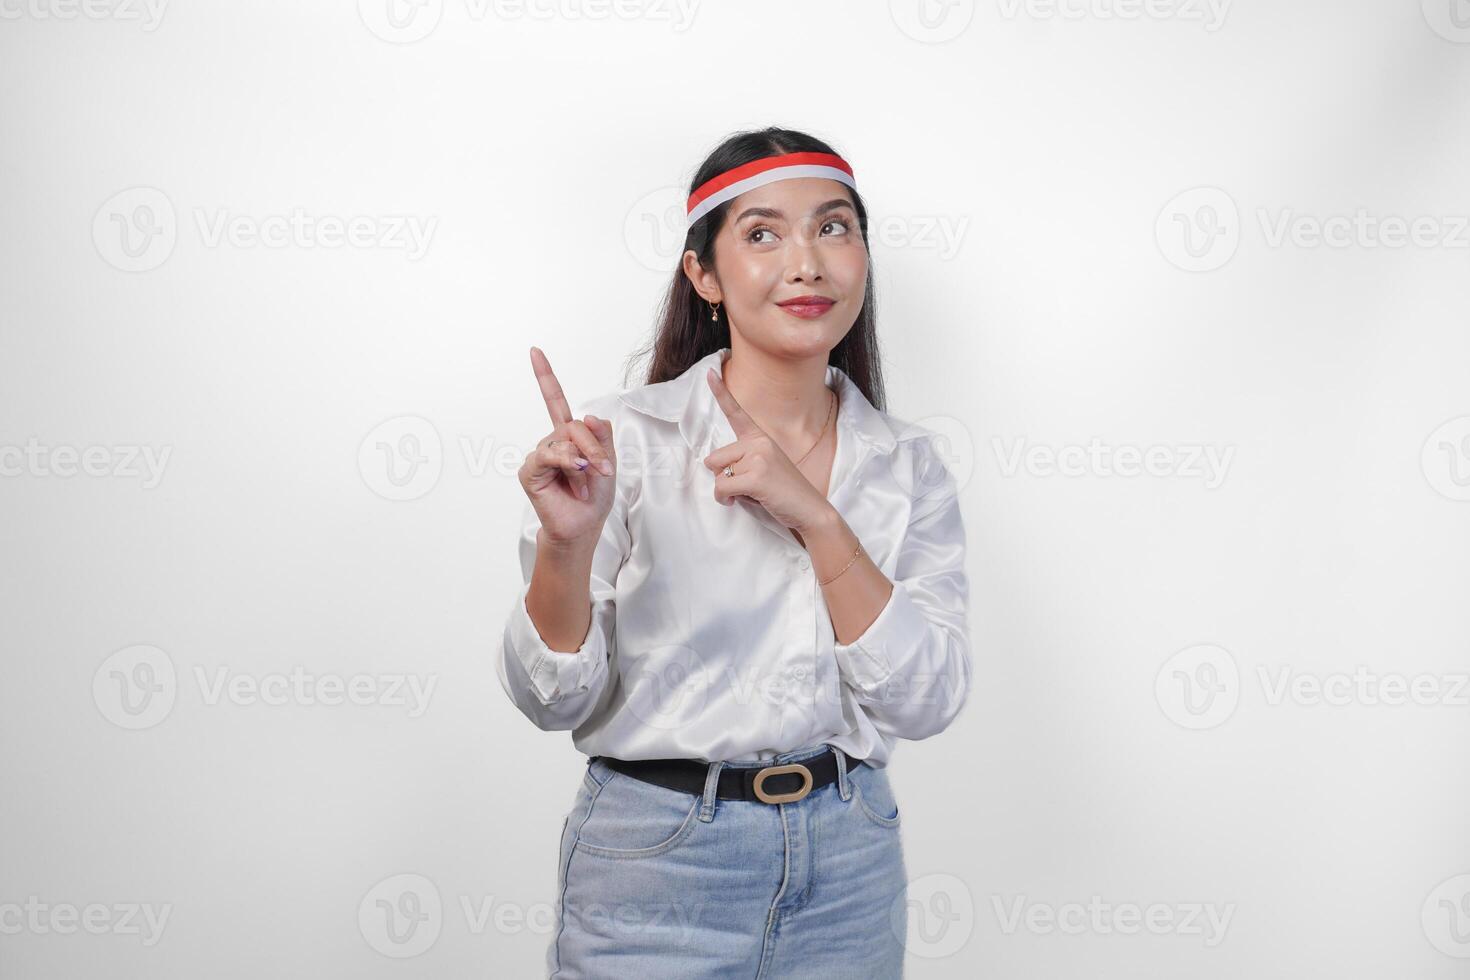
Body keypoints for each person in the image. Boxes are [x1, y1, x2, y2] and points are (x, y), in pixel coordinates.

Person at [497, 126, 972, 978]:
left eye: (834, 228)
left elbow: (928, 698)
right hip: (659, 861)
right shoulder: (621, 445)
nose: (807, 263)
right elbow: (552, 697)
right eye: (762, 234)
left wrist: (820, 523)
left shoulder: (908, 466)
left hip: (850, 860)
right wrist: (564, 550)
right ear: (704, 276)